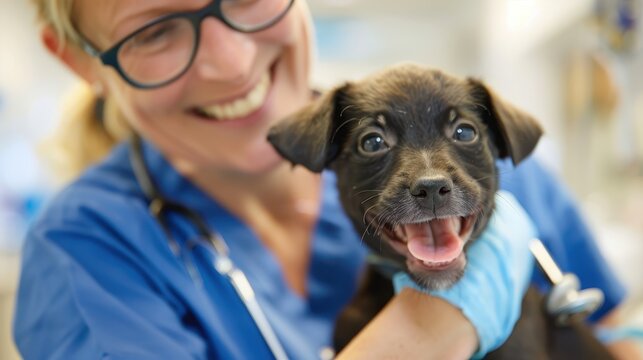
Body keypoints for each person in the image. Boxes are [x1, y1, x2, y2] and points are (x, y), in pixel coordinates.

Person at [12, 0, 635, 358]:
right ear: (78, 62)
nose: (231, 63)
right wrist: (438, 324)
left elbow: (615, 325)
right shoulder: (87, 255)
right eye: (154, 30)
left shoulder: (492, 164)